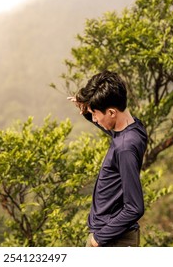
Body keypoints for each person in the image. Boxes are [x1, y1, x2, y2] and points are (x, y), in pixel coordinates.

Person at [67, 70, 148, 247]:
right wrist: (88, 110)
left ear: (111, 112)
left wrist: (99, 239)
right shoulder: (134, 127)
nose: (94, 120)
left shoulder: (125, 147)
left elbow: (135, 207)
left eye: (95, 114)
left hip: (113, 239)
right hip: (112, 234)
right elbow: (113, 131)